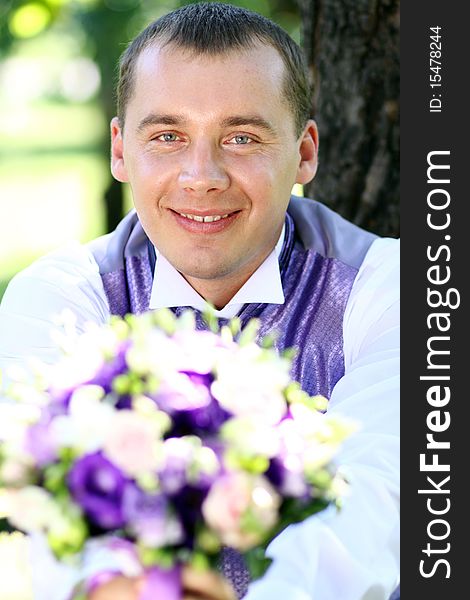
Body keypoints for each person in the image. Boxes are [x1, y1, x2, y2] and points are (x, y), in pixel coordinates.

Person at [0, 3, 399, 600]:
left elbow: (380, 498)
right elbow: (53, 524)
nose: (202, 175)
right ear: (119, 150)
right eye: (167, 136)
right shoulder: (58, 298)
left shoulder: (389, 285)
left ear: (305, 153)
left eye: (241, 137)